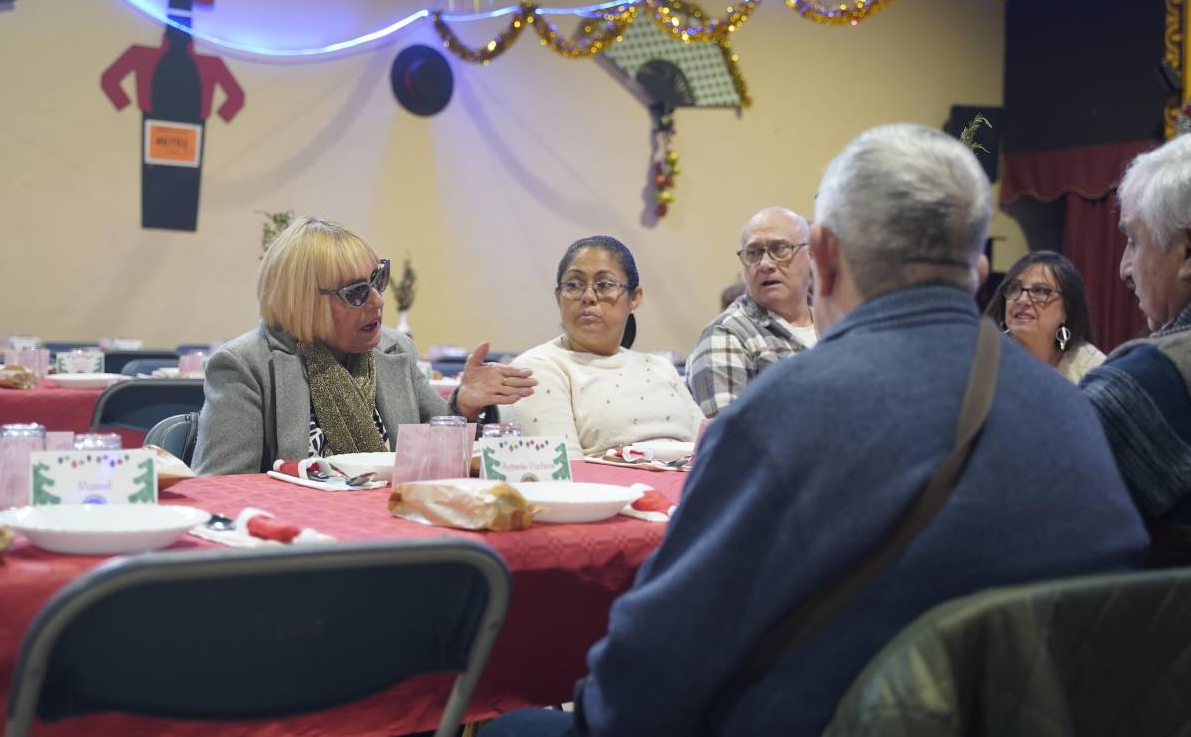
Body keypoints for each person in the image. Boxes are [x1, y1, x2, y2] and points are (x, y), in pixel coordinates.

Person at [481, 125, 1147, 737]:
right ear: (977, 272)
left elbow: (645, 677)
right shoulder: (1073, 413)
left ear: (821, 257)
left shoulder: (782, 414)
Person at [192, 217, 535, 475]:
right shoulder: (246, 365)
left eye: (378, 280)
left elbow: (434, 450)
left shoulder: (394, 350)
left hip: (400, 530)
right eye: (356, 292)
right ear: (303, 302)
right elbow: (221, 487)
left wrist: (464, 405)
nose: (377, 301)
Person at [499, 235, 703, 459]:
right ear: (559, 297)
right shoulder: (538, 368)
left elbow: (710, 446)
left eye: (604, 285)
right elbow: (564, 471)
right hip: (613, 491)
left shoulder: (659, 367)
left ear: (634, 298)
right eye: (574, 285)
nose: (588, 296)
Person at [1081, 135, 1191, 525]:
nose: (1125, 268)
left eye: (1133, 241)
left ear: (1187, 254)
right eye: (1018, 290)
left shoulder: (1140, 382)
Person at [686, 207, 816, 417]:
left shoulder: (837, 323)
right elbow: (729, 440)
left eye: (779, 248)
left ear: (811, 255)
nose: (765, 264)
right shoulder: (726, 335)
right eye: (753, 253)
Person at [983, 250, 1105, 382]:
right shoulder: (982, 359)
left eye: (1040, 290)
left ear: (1067, 310)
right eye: (1014, 288)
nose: (1022, 300)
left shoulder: (1093, 371)